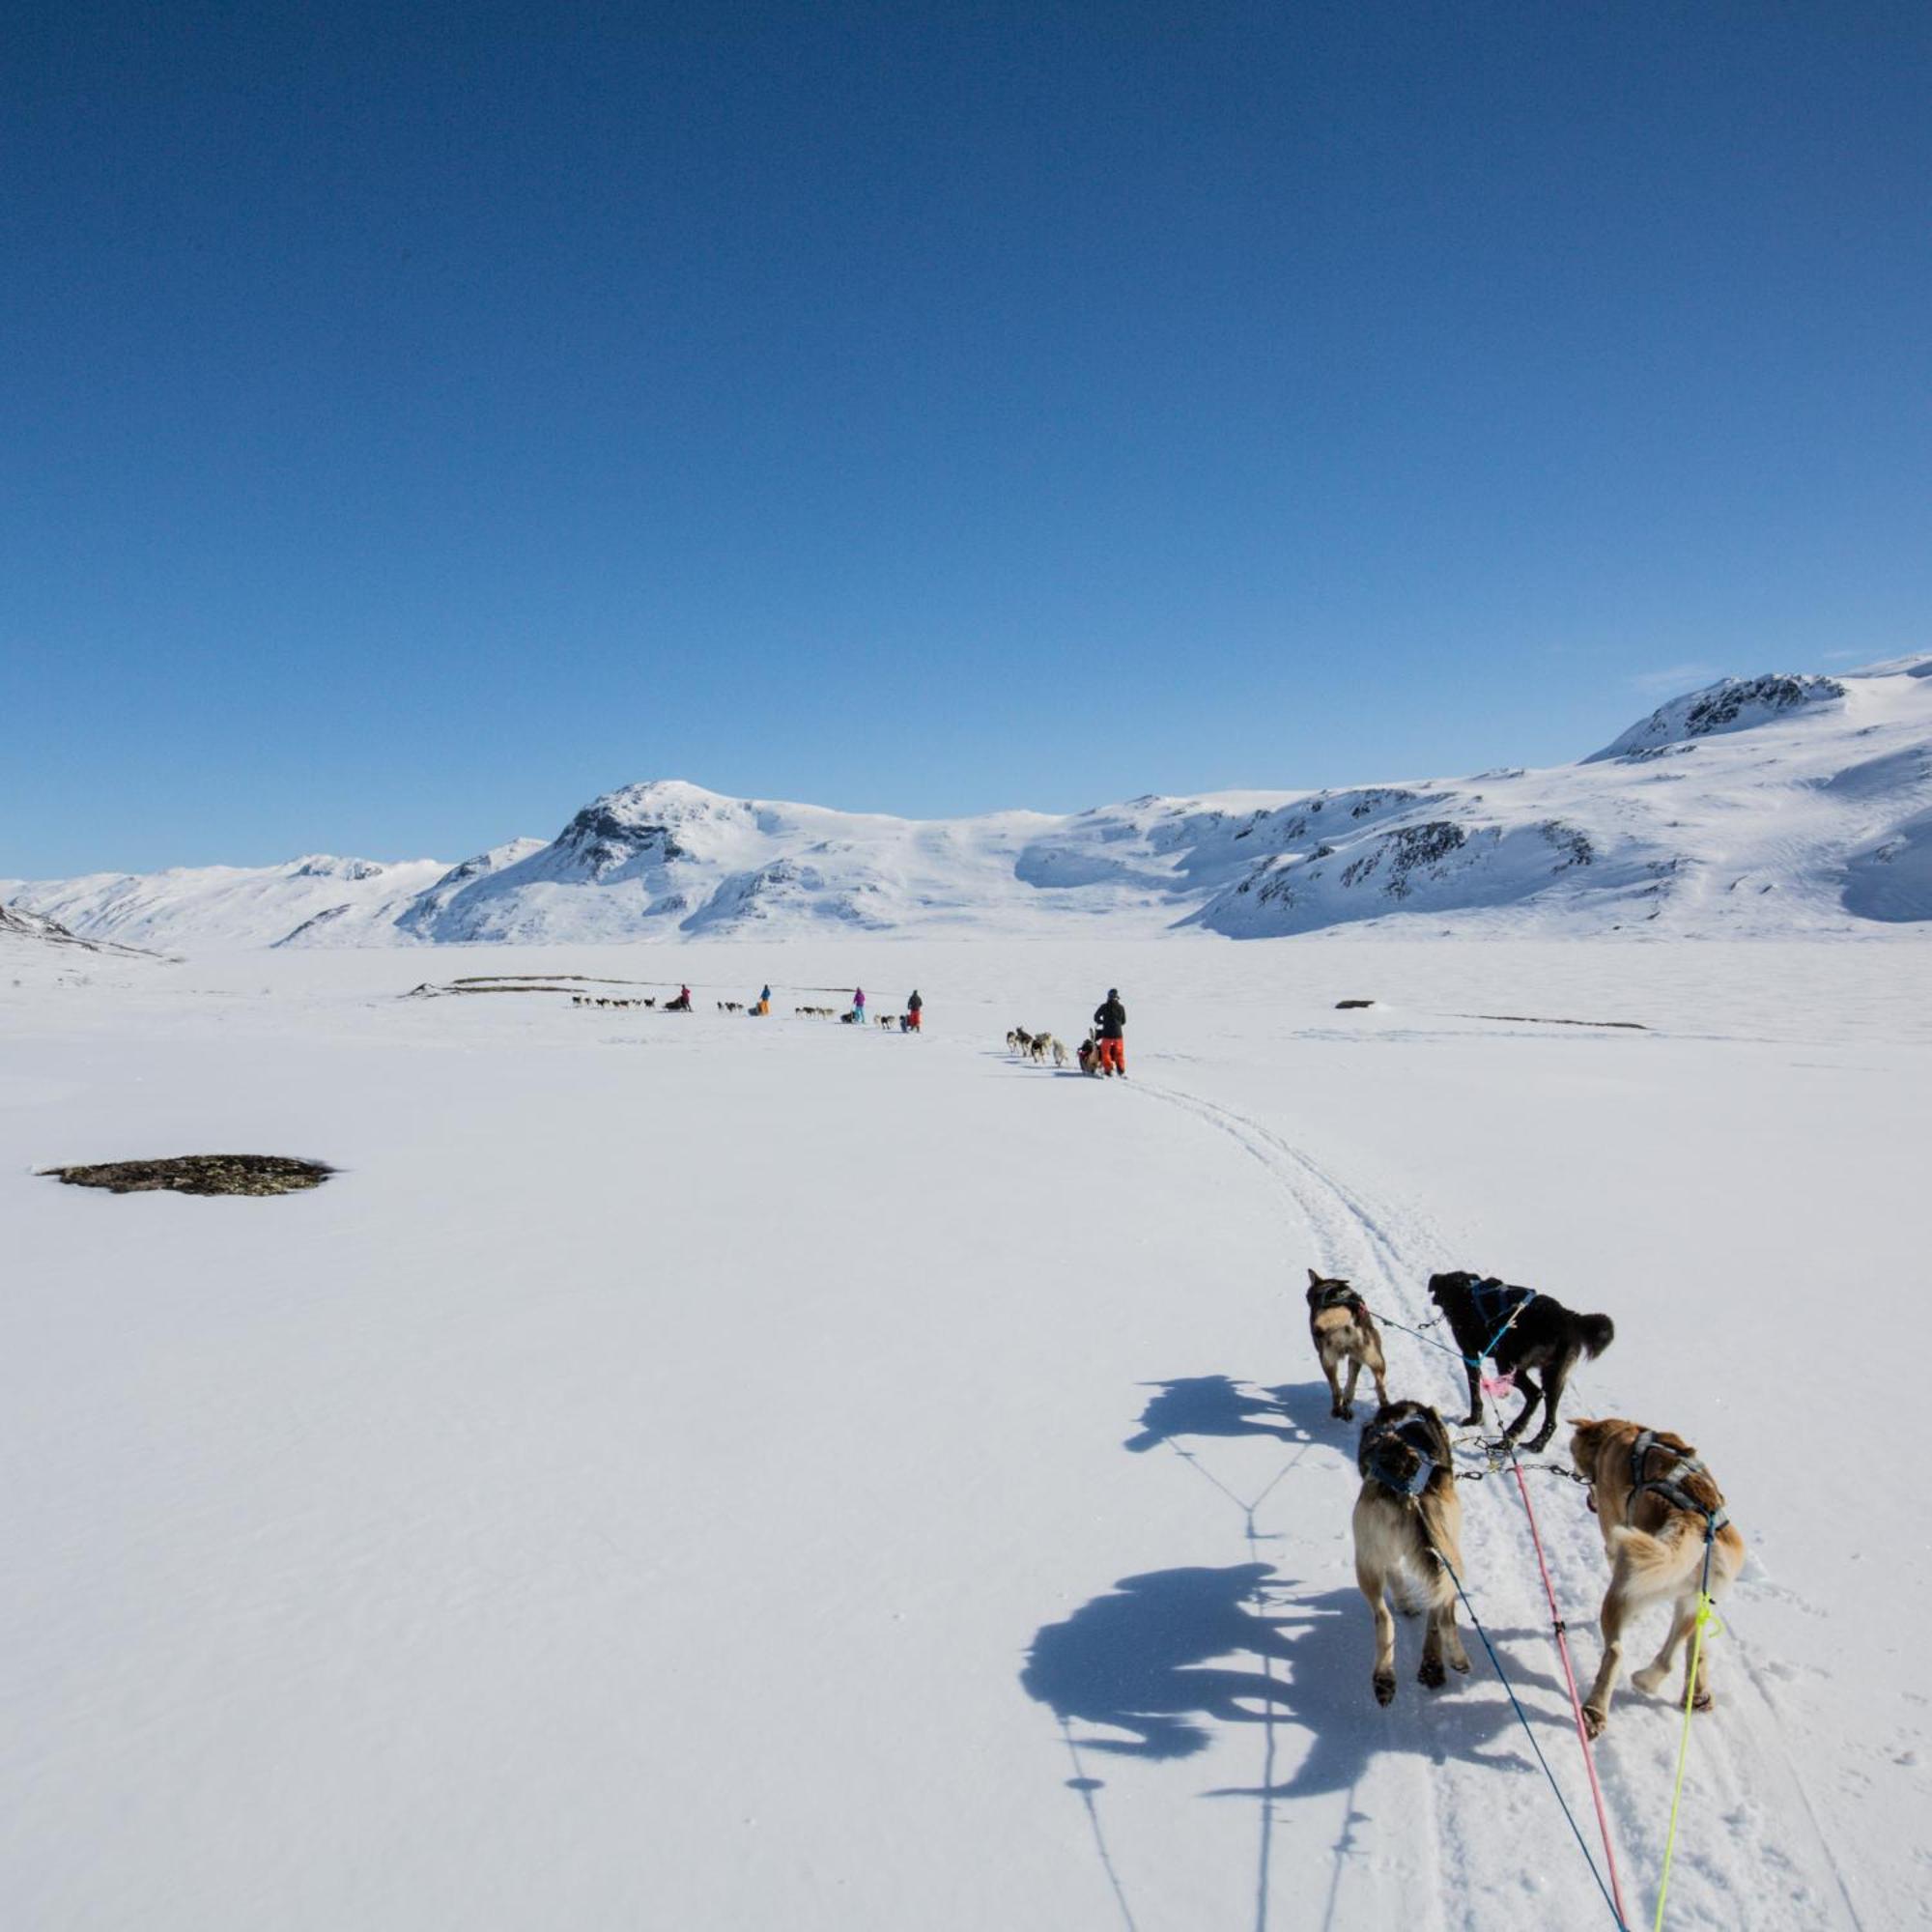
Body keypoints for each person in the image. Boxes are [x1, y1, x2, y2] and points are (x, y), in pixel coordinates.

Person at [1093, 987, 1126, 1076]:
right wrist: (1117, 1024)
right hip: (1118, 1035)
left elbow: (1096, 1017)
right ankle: (1121, 1069)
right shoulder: (1121, 1007)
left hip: (1107, 1034)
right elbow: (1123, 1021)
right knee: (1119, 1053)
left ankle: (1108, 1070)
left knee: (1105, 1052)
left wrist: (1102, 1022)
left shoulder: (1104, 1006)